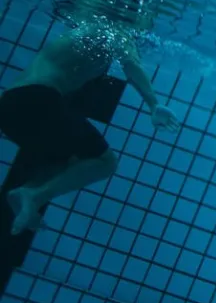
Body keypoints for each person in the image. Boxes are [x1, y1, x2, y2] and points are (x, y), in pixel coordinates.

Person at [1, 22, 180, 234]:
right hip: (40, 98)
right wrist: (153, 104)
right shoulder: (115, 28)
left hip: (10, 107)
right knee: (106, 163)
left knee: (68, 161)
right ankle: (33, 196)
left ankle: (28, 192)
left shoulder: (85, 31)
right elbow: (132, 66)